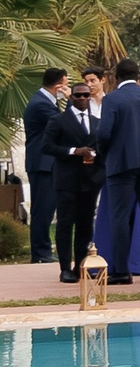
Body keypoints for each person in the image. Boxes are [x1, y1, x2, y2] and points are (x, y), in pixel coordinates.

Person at [95, 57, 140, 287]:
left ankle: (122, 272)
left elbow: (104, 133)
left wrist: (104, 154)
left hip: (121, 162)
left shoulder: (112, 99)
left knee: (120, 217)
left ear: (116, 78)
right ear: (138, 77)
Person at [43, 77, 104, 284]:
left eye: (86, 95)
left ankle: (81, 265)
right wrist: (73, 151)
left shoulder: (97, 122)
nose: (82, 98)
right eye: (77, 95)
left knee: (86, 224)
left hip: (90, 180)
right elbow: (47, 147)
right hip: (66, 180)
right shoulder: (58, 120)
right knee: (65, 223)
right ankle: (64, 268)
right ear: (72, 97)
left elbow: (102, 148)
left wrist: (95, 159)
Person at [21, 67, 64, 264]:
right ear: (58, 86)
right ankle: (40, 252)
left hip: (47, 163)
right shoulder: (41, 104)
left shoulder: (45, 100)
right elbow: (64, 123)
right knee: (42, 209)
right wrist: (72, 99)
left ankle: (43, 250)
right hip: (42, 164)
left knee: (46, 208)